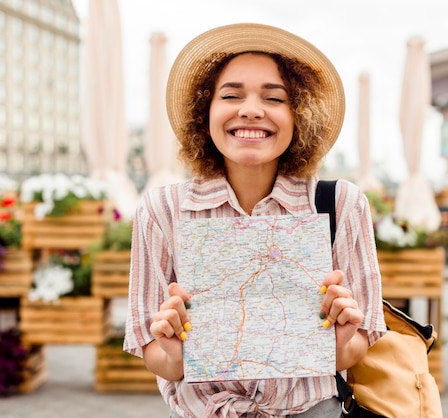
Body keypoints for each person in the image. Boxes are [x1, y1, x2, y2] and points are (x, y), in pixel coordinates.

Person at [124, 22, 386, 418]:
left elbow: (357, 345)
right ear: (204, 112)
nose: (250, 109)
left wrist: (341, 340)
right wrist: (175, 353)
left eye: (274, 97)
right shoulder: (161, 211)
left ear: (299, 114)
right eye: (231, 95)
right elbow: (156, 356)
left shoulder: (341, 204)